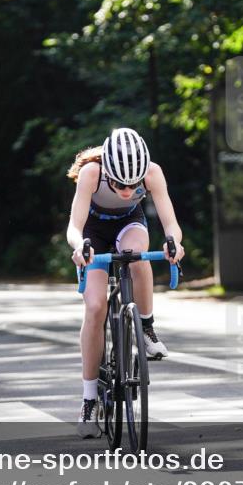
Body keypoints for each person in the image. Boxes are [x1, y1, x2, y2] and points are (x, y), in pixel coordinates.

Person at [66, 128, 185, 438]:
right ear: (108, 171)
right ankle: (89, 399)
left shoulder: (152, 173)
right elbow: (74, 226)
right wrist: (79, 247)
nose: (126, 190)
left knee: (136, 256)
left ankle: (145, 328)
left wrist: (174, 242)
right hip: (93, 232)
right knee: (94, 308)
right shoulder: (92, 172)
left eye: (133, 185)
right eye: (119, 184)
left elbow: (170, 221)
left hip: (129, 224)